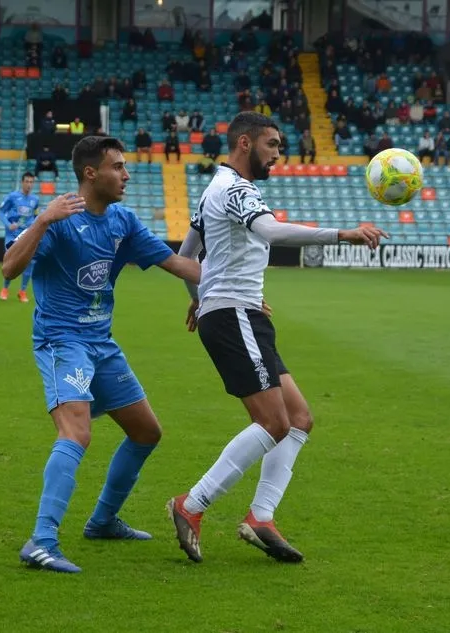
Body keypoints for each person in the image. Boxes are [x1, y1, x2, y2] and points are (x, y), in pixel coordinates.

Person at [167, 112, 389, 564]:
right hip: (235, 315)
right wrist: (343, 233)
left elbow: (186, 255)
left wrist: (200, 297)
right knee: (273, 423)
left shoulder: (214, 189)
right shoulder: (235, 189)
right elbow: (269, 231)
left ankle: (261, 517)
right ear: (245, 143)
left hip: (237, 312)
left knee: (299, 418)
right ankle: (191, 505)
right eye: (272, 144)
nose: (278, 153)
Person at [1, 136, 202, 573]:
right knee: (76, 434)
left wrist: (238, 291)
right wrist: (41, 221)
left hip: (101, 344)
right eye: (118, 167)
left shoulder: (123, 221)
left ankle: (103, 520)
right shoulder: (59, 222)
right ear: (91, 173)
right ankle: (41, 540)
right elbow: (9, 268)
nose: (126, 175)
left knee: (147, 432)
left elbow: (179, 265)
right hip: (62, 341)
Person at [0, 172, 39, 302]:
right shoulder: (12, 196)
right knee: (11, 261)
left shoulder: (35, 200)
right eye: (26, 181)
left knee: (30, 262)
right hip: (13, 235)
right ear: (22, 182)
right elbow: (1, 212)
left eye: (31, 182)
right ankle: (5, 288)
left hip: (27, 235)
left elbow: (35, 215)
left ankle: (22, 291)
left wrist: (34, 225)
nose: (29, 184)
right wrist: (8, 224)